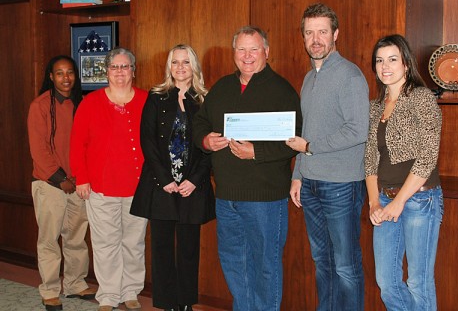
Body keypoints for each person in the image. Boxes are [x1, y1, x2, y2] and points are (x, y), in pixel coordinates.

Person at [193, 26, 302, 311]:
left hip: (265, 198)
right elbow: (200, 123)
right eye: (241, 49)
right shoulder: (222, 87)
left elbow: (294, 142)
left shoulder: (282, 91)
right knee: (234, 263)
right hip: (226, 196)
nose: (247, 56)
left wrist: (257, 151)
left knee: (265, 266)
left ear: (267, 52)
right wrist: (206, 139)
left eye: (254, 49)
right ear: (234, 54)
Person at [286, 3, 370, 311]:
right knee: (322, 261)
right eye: (309, 33)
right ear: (303, 38)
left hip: (341, 186)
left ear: (335, 34)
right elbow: (305, 132)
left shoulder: (349, 75)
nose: (315, 39)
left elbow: (358, 130)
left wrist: (310, 148)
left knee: (346, 265)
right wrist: (298, 176)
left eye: (322, 31)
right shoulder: (309, 79)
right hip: (310, 185)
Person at [130, 44, 215, 311]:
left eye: (186, 62)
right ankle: (167, 303)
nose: (180, 67)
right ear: (169, 67)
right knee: (162, 247)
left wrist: (196, 180)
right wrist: (164, 178)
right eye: (175, 62)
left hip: (192, 185)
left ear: (194, 67)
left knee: (189, 249)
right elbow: (148, 141)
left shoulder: (205, 100)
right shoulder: (157, 97)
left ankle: (186, 302)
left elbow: (210, 145)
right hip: (161, 185)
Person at [365, 34, 443, 310]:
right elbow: (370, 158)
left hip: (420, 200)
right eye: (379, 60)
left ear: (406, 64)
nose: (385, 66)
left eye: (392, 59)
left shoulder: (421, 98)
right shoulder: (376, 105)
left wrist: (400, 202)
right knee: (386, 282)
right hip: (384, 200)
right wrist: (375, 201)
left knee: (418, 283)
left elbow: (427, 157)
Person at [70, 48, 148, 311]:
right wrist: (81, 178)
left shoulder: (147, 101)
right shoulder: (90, 103)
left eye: (125, 67)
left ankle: (130, 291)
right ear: (106, 71)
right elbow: (77, 144)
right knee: (105, 244)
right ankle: (108, 295)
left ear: (133, 71)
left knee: (134, 243)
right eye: (114, 67)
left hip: (138, 187)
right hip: (100, 188)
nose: (120, 72)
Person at [27, 55, 96, 311]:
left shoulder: (83, 103)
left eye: (70, 73)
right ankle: (49, 290)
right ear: (50, 76)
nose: (65, 78)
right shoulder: (40, 105)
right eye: (59, 73)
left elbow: (89, 143)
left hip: (78, 184)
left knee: (76, 238)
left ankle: (76, 284)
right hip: (49, 184)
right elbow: (39, 149)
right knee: (49, 239)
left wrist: (80, 178)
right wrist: (60, 179)